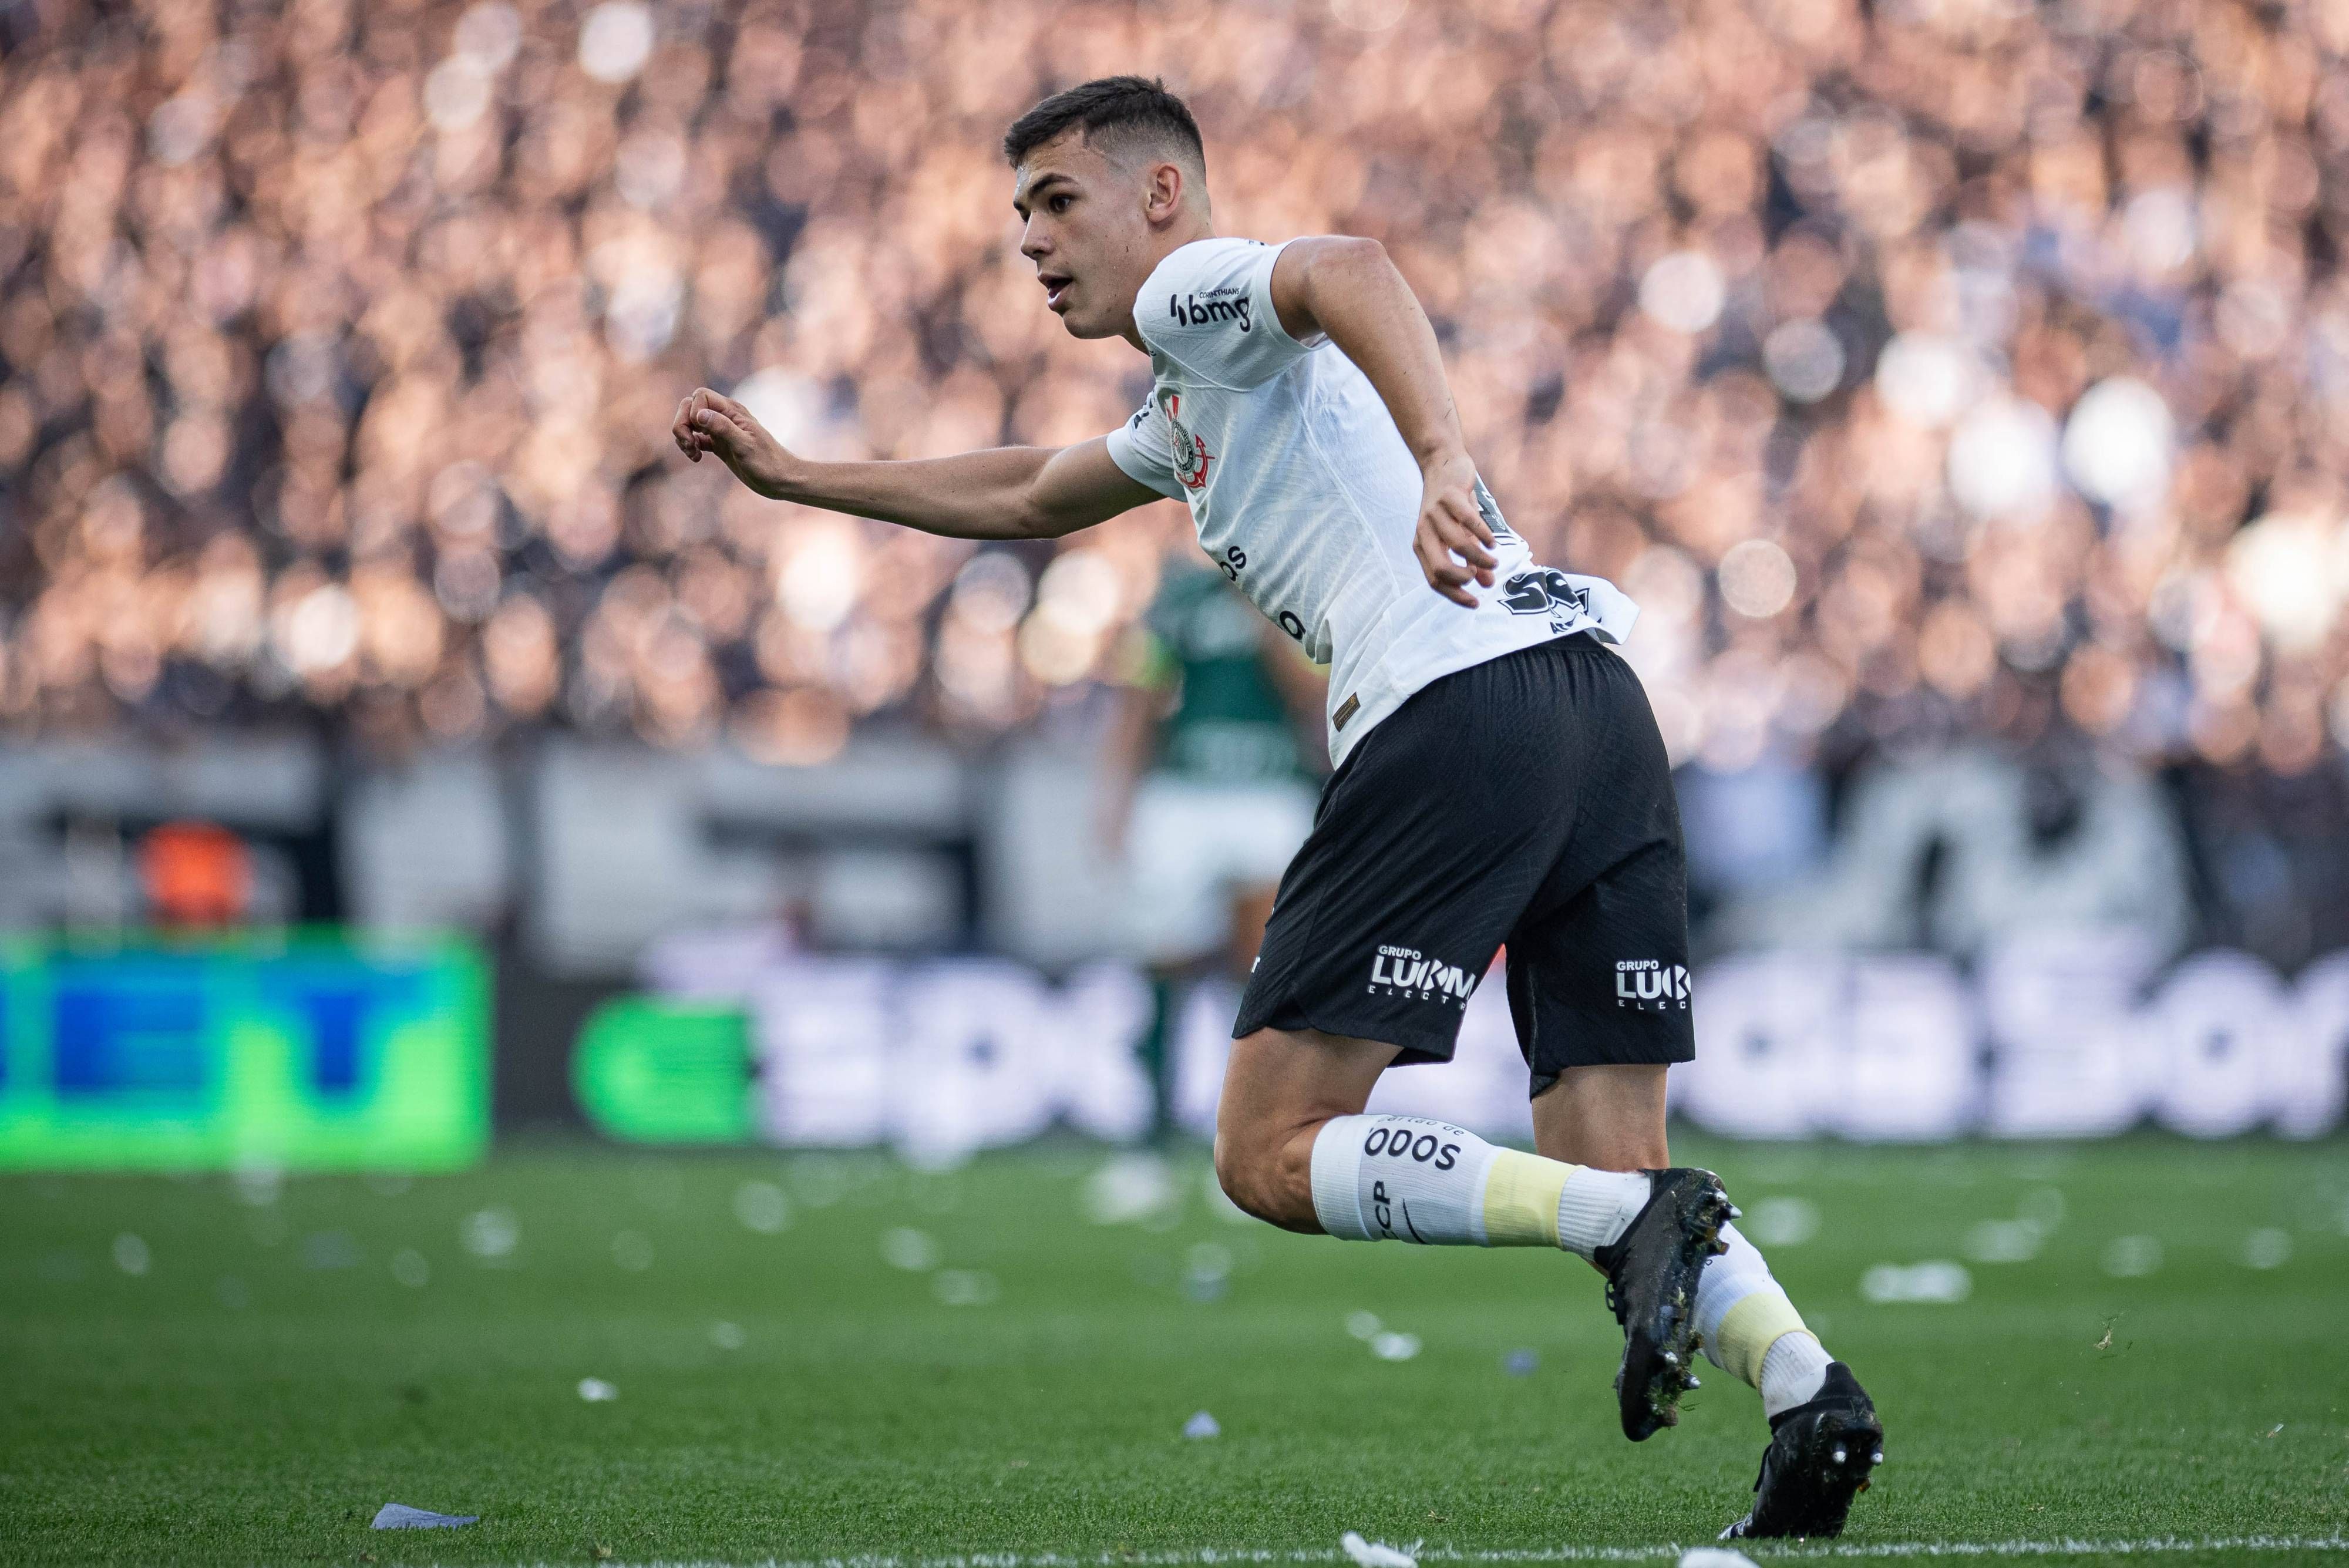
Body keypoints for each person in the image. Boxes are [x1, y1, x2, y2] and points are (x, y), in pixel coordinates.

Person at [671, 75, 1883, 1540]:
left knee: (1268, 1151)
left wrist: (1441, 450)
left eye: (1057, 203)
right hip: (1589, 698)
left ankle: (1642, 1231)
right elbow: (1031, 490)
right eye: (1019, 218)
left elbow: (1347, 268)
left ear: (1160, 196)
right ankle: (1807, 1390)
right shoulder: (1194, 402)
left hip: (1452, 710)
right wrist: (799, 480)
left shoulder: (1193, 293)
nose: (1031, 244)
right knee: (1604, 1156)